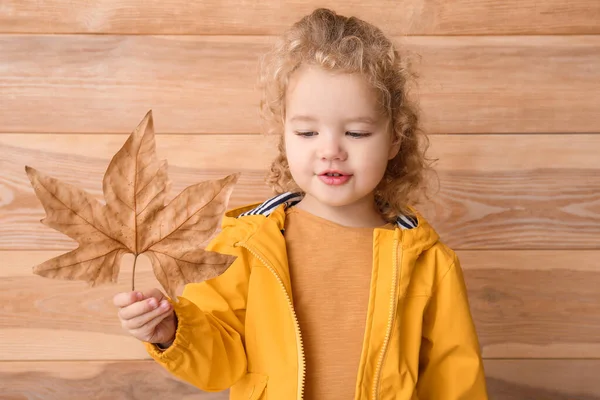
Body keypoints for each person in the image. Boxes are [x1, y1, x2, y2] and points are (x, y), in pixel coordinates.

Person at [113, 8, 488, 400]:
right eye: (307, 132)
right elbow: (220, 363)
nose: (330, 151)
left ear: (395, 139)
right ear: (284, 135)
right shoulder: (246, 245)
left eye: (357, 132)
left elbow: (454, 383)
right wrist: (172, 331)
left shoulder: (428, 262)